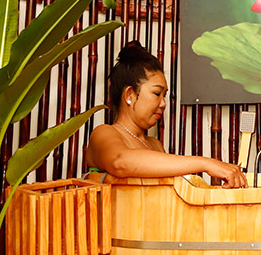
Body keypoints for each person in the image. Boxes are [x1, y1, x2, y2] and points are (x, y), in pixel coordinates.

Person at [86, 41, 248, 188]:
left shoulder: (155, 144)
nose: (163, 103)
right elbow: (120, 162)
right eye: (157, 94)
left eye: (164, 96)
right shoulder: (103, 133)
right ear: (130, 95)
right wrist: (206, 163)